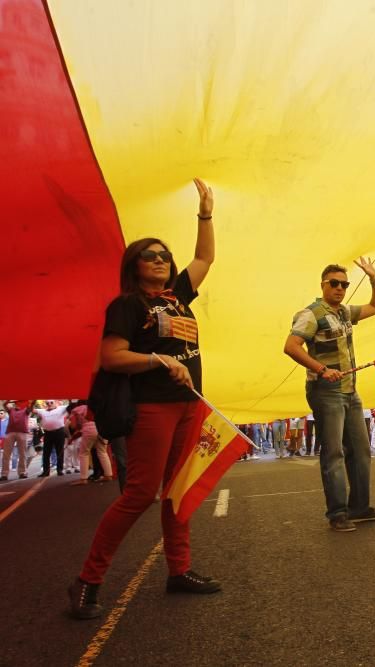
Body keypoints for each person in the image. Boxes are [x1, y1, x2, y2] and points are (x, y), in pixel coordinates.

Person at [69, 179, 220, 620]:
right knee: (138, 495)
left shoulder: (179, 296)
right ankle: (87, 580)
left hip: (189, 405)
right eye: (150, 255)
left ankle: (179, 570)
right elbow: (112, 357)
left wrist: (205, 213)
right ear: (133, 266)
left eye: (164, 255)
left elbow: (205, 257)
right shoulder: (128, 305)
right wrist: (157, 360)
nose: (160, 260)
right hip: (153, 408)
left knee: (178, 491)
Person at [283, 258, 375, 532]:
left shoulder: (344, 312)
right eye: (335, 283)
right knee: (334, 453)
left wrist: (374, 279)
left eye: (344, 284)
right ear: (323, 285)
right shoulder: (311, 313)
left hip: (350, 391)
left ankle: (360, 507)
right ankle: (338, 513)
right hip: (326, 392)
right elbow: (291, 346)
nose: (340, 288)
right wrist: (320, 369)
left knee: (361, 450)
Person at [34, 400, 68, 476]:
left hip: (59, 432)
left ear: (56, 403)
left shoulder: (61, 408)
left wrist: (69, 400)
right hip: (48, 433)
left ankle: (60, 470)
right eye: (47, 403)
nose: (49, 404)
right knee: (46, 452)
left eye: (51, 402)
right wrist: (32, 402)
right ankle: (46, 471)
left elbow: (71, 406)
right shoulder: (42, 411)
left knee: (59, 451)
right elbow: (31, 410)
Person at [2, 401, 33, 480]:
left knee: (22, 454)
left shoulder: (26, 410)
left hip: (22, 433)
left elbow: (31, 406)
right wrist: (9, 400)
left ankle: (22, 472)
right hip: (10, 432)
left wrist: (33, 401)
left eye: (19, 403)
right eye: (17, 403)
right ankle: (4, 474)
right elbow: (4, 405)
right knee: (6, 454)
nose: (18, 404)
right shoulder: (11, 410)